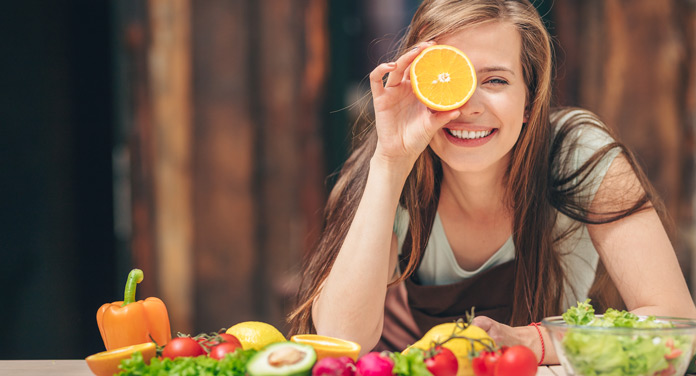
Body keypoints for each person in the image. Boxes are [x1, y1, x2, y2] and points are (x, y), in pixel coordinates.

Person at [288, 0, 696, 365]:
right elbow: (339, 341)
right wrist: (391, 162)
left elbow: (675, 321)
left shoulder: (576, 153)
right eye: (450, 80)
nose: (467, 106)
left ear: (529, 100)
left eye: (496, 80)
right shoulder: (391, 164)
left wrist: (531, 341)